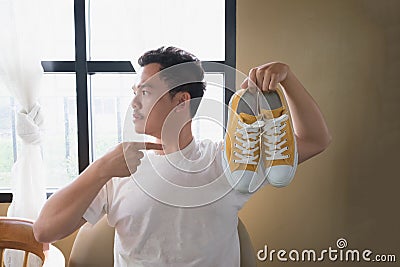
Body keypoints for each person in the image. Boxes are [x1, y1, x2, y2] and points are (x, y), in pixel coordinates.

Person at [33, 46, 331, 266]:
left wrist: (287, 79)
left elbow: (315, 140)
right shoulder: (118, 167)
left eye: (145, 92)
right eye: (134, 92)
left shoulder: (228, 161)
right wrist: (100, 169)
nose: (134, 103)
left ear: (181, 101)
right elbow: (44, 230)